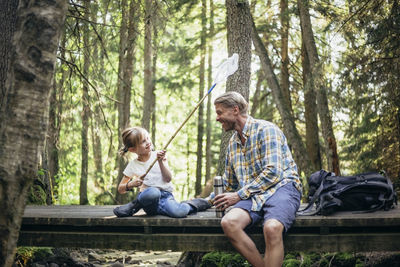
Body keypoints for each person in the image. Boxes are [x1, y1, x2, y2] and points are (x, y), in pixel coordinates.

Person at [212, 92, 302, 267]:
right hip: (253, 195)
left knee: (272, 228)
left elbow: (273, 172)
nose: (217, 118)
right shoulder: (232, 144)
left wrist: (238, 195)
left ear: (235, 110)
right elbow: (229, 184)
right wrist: (198, 203)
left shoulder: (266, 129)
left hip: (282, 187)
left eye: (220, 112)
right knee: (229, 222)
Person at [113, 126, 210, 218]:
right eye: (143, 141)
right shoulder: (133, 165)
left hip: (166, 197)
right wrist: (131, 184)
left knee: (180, 212)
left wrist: (160, 162)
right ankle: (136, 204)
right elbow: (121, 189)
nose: (148, 142)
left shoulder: (158, 156)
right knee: (153, 192)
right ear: (133, 149)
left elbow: (168, 179)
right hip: (149, 201)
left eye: (147, 138)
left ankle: (196, 203)